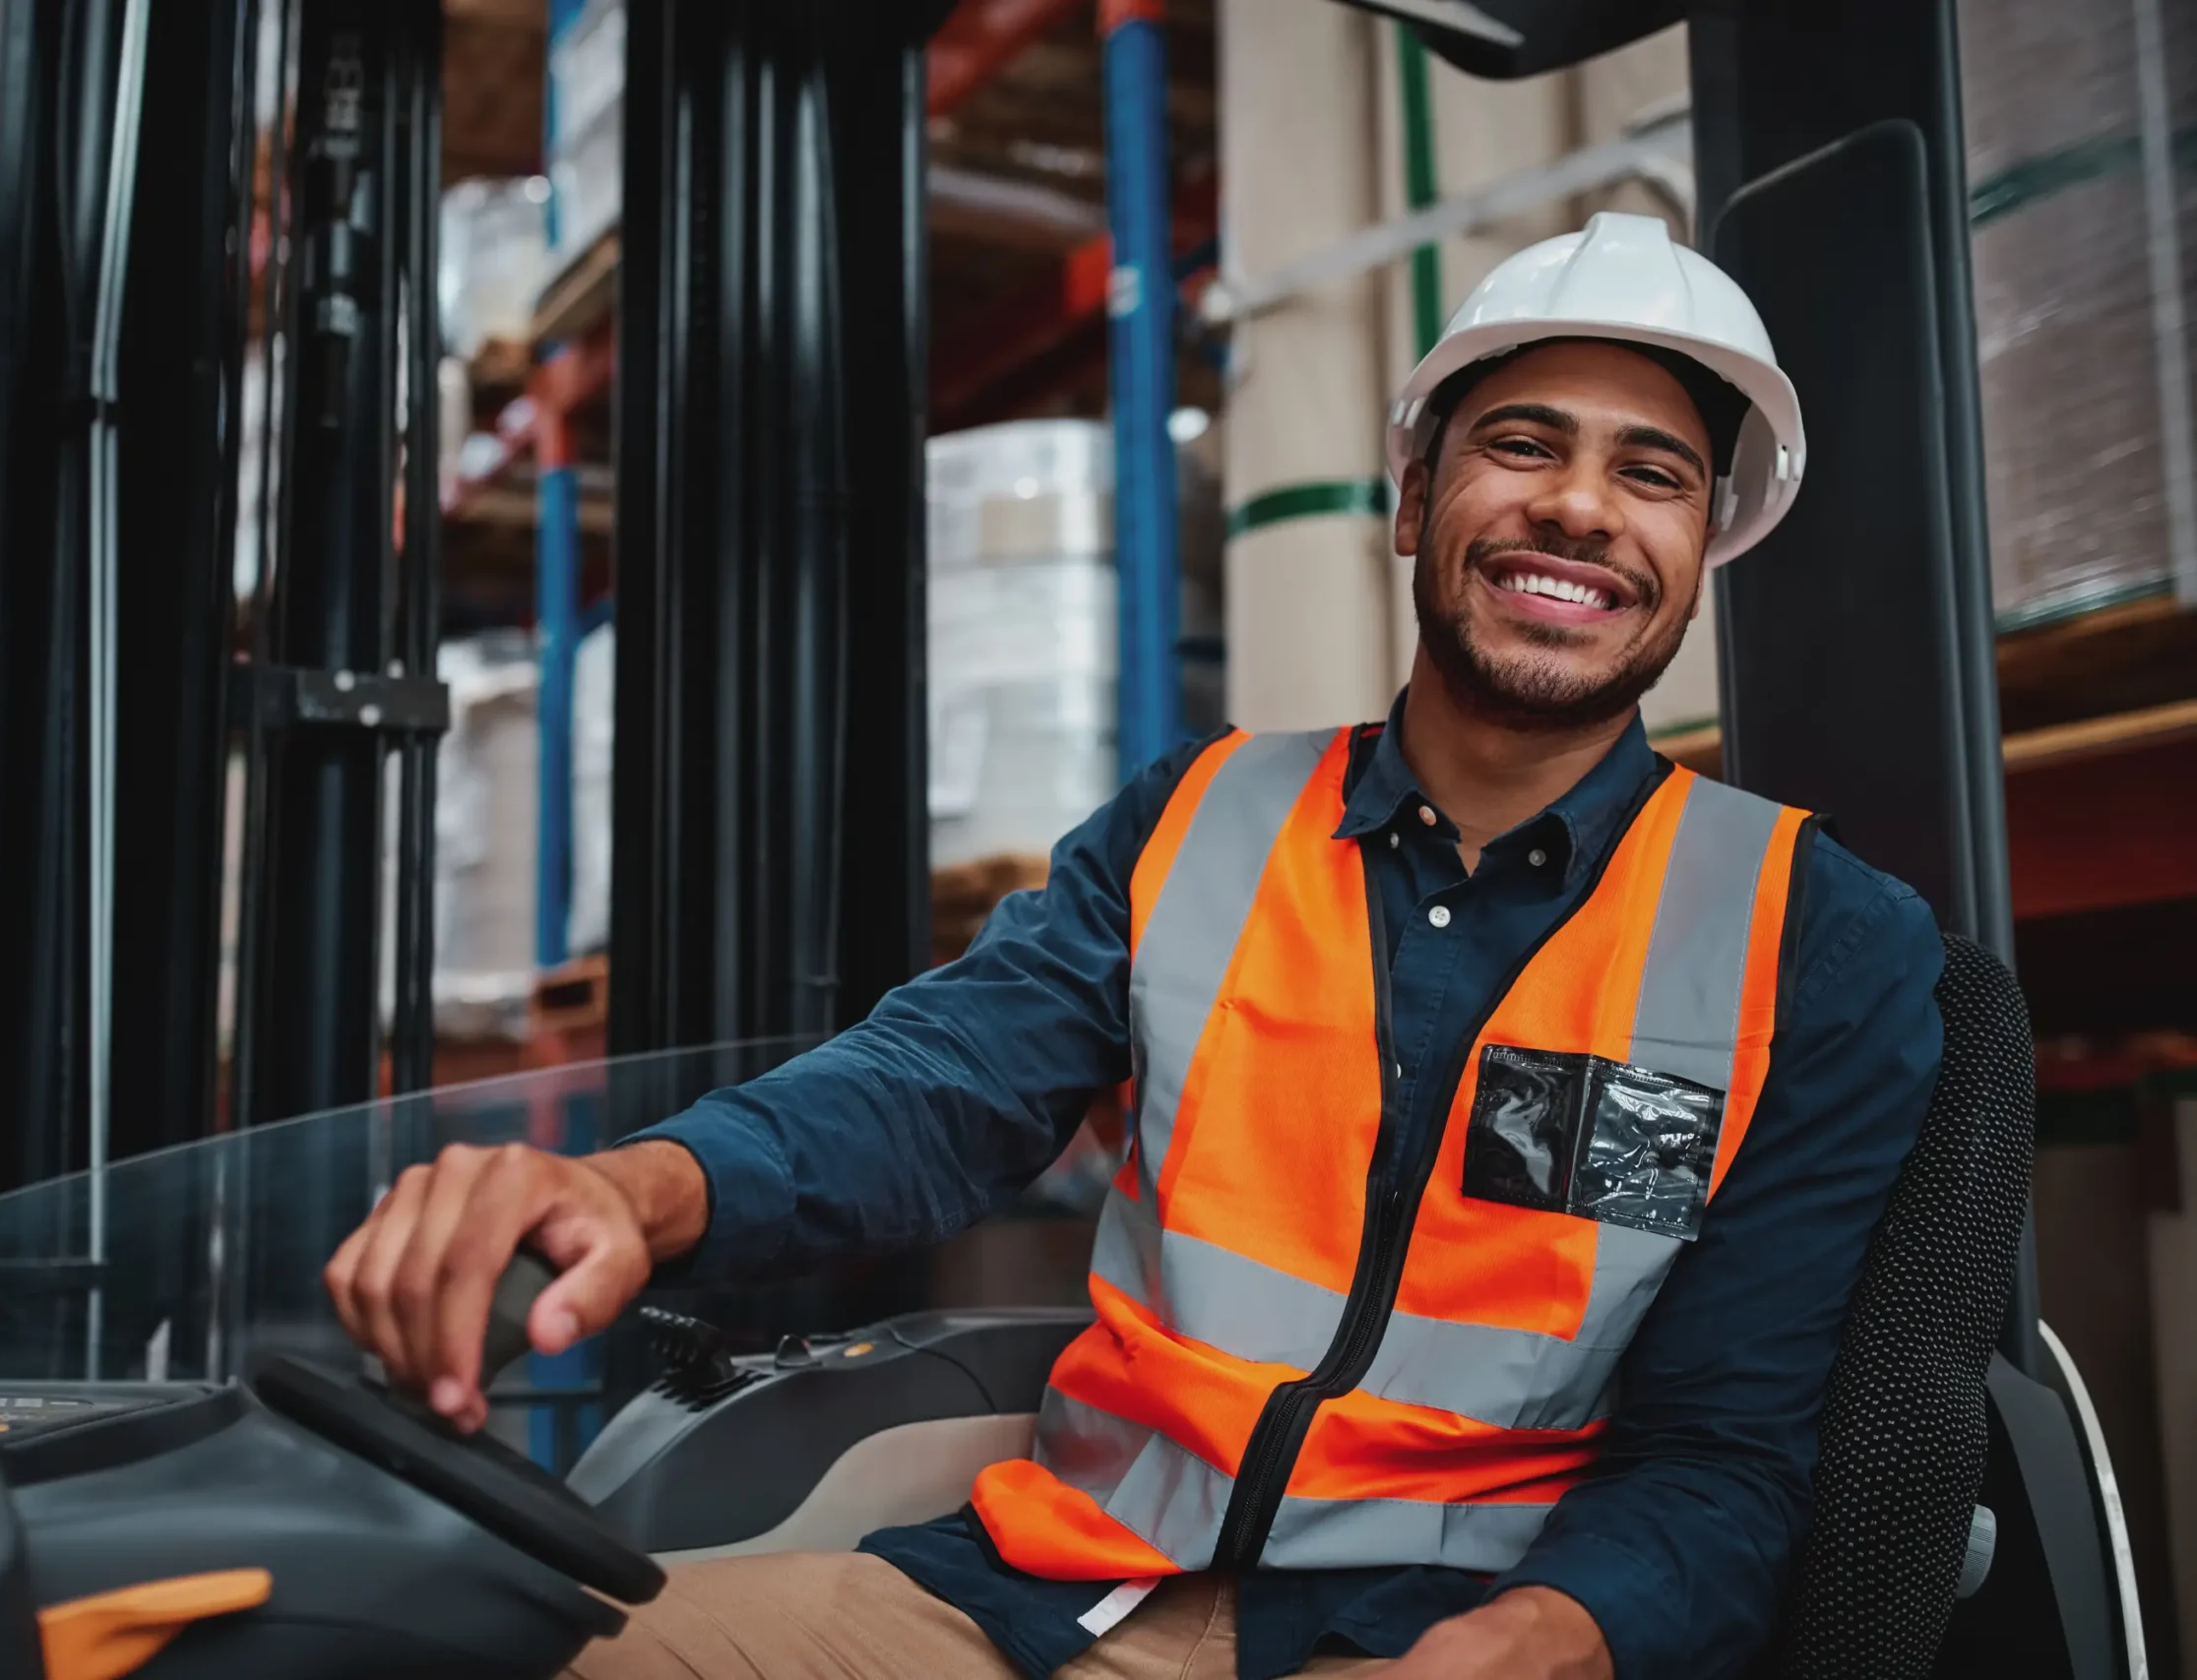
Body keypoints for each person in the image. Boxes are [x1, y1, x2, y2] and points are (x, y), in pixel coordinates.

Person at [324, 214, 1944, 1680]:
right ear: (1412, 498)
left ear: (1699, 552)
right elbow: (938, 1085)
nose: (1581, 506)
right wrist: (628, 1188)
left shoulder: (1818, 941)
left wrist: (1541, 1641)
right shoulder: (1206, 816)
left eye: (1651, 472)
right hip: (1043, 1599)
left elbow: (1731, 1455)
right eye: (1523, 444)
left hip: (1451, 1641)